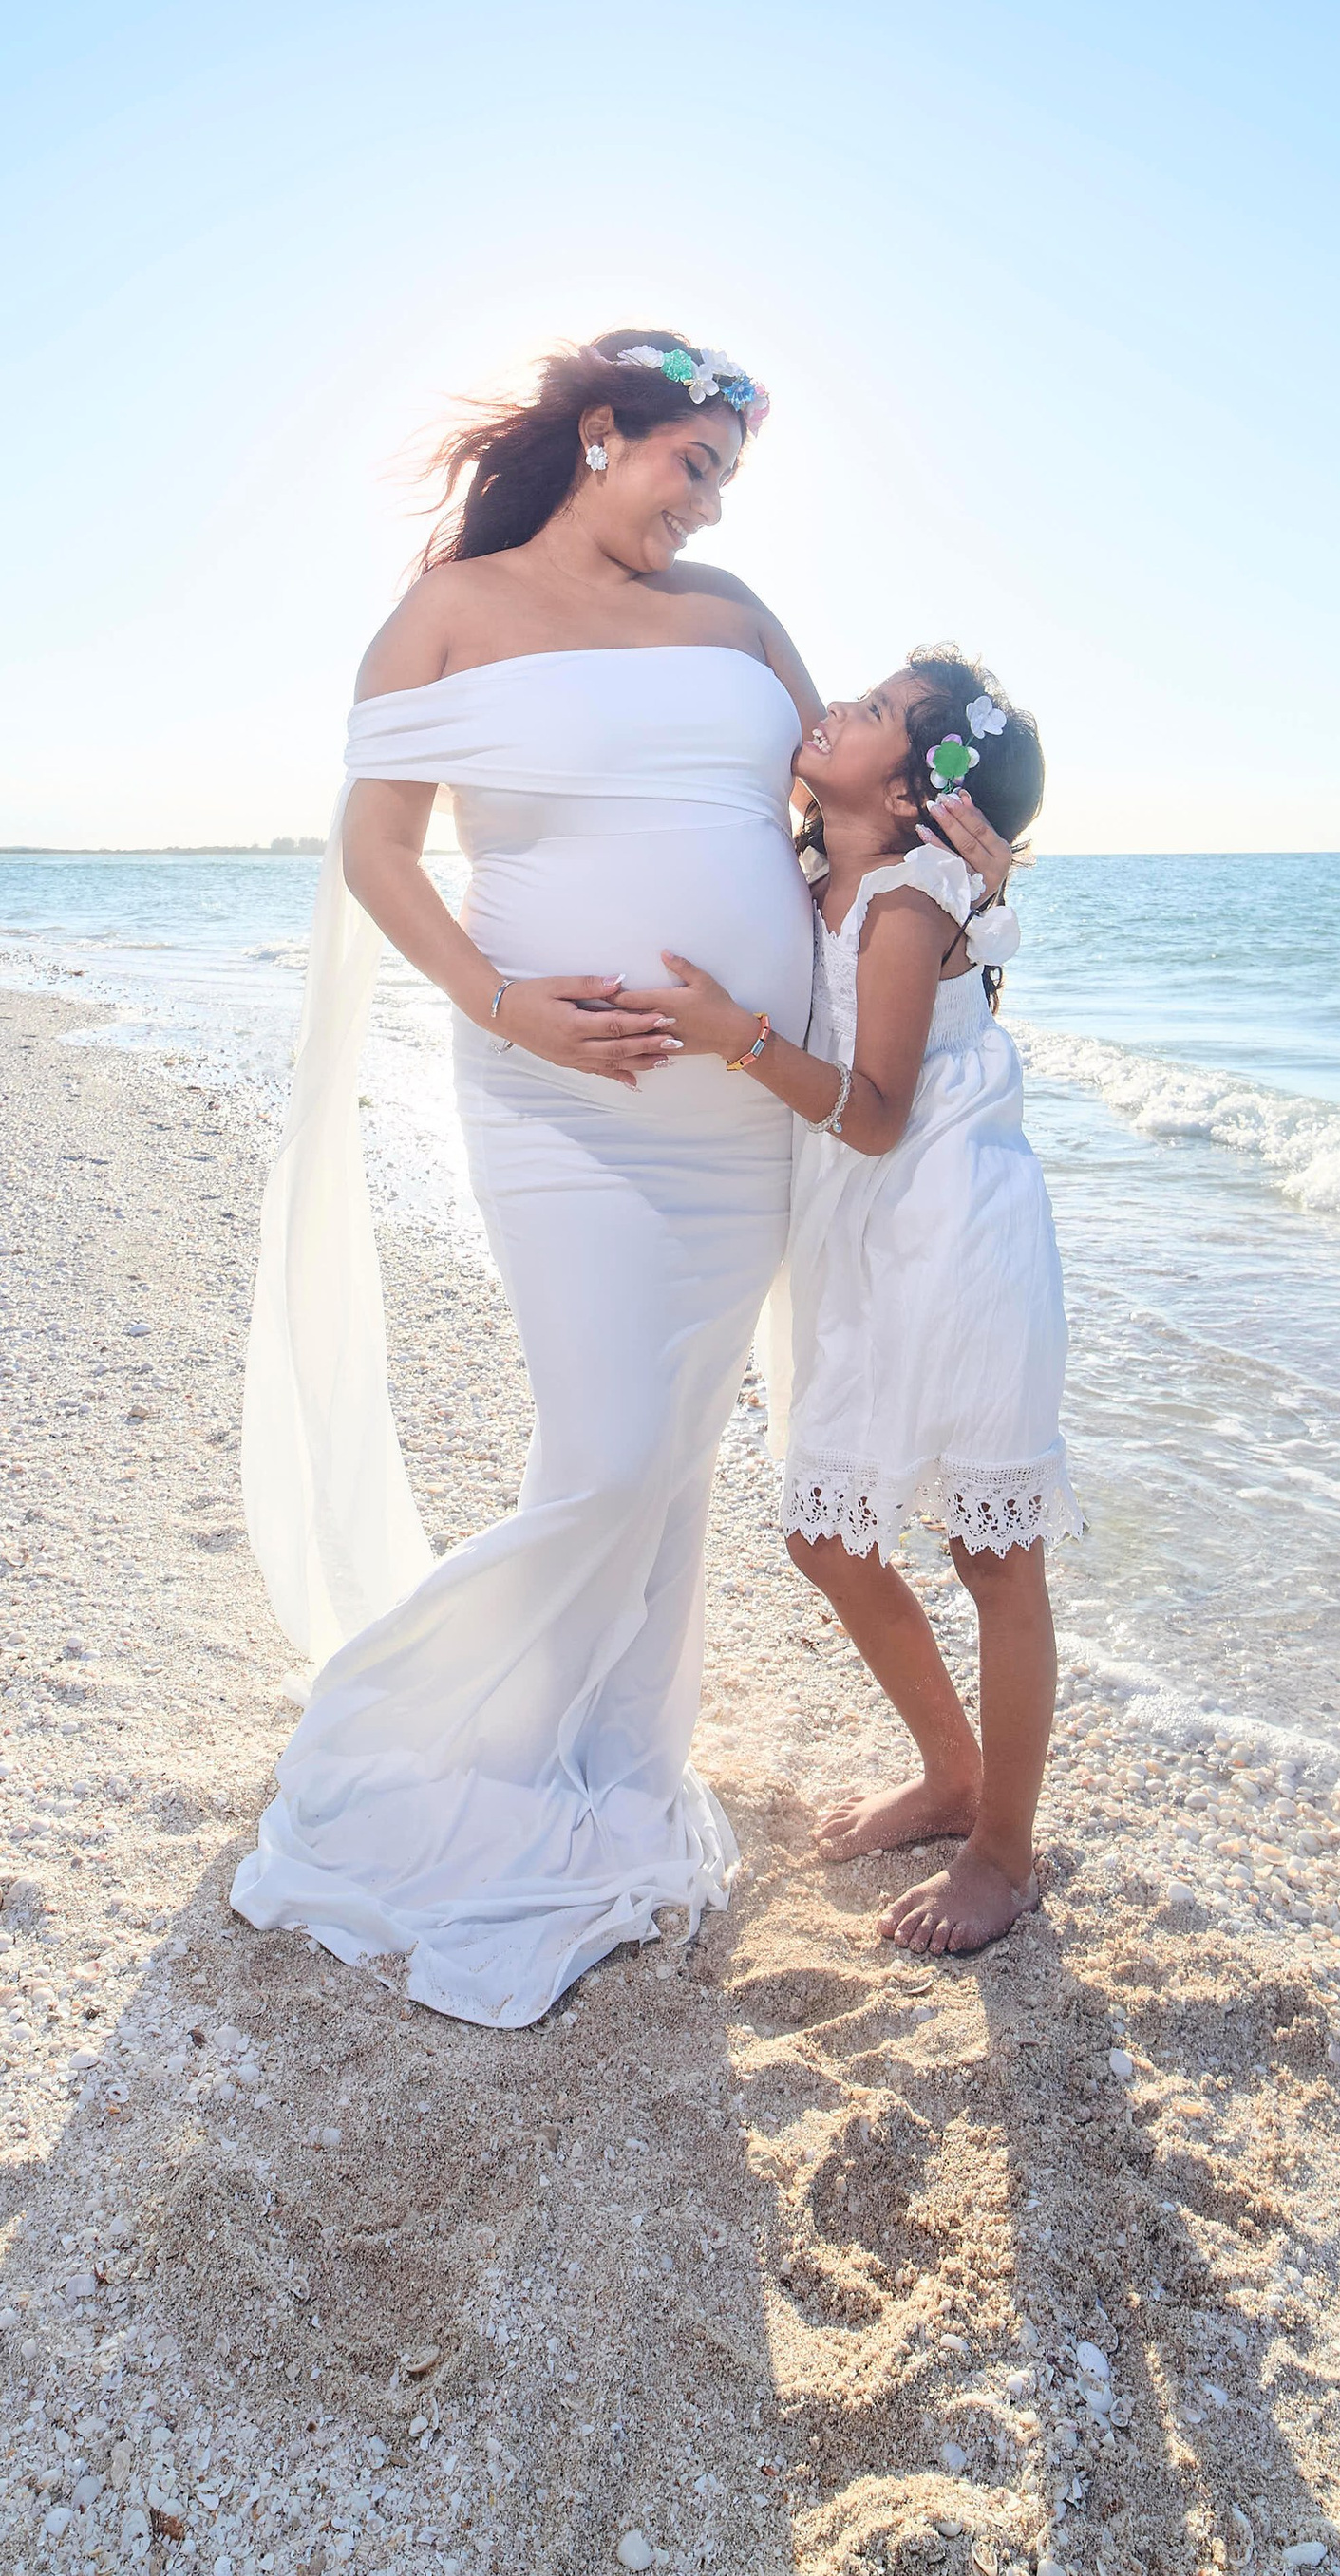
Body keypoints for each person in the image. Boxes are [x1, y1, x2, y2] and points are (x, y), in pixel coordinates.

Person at [229, 338, 1012, 2026]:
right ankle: (404, 1733)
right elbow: (376, 851)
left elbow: (844, 820)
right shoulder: (444, 612)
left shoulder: (735, 617)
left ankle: (599, 1758)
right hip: (550, 1090)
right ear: (604, 434)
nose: (709, 503)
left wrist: (959, 877)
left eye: (726, 478)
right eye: (693, 464)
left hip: (741, 1101)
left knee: (664, 1459)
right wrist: (504, 998)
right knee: (604, 1446)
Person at [622, 649, 1076, 1956]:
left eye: (874, 709)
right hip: (860, 1239)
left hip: (953, 1228)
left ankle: (1003, 1849)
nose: (838, 707)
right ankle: (953, 1773)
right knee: (829, 1536)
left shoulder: (908, 901)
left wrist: (732, 1033)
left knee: (996, 1554)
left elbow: (874, 1117)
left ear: (924, 784)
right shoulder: (827, 876)